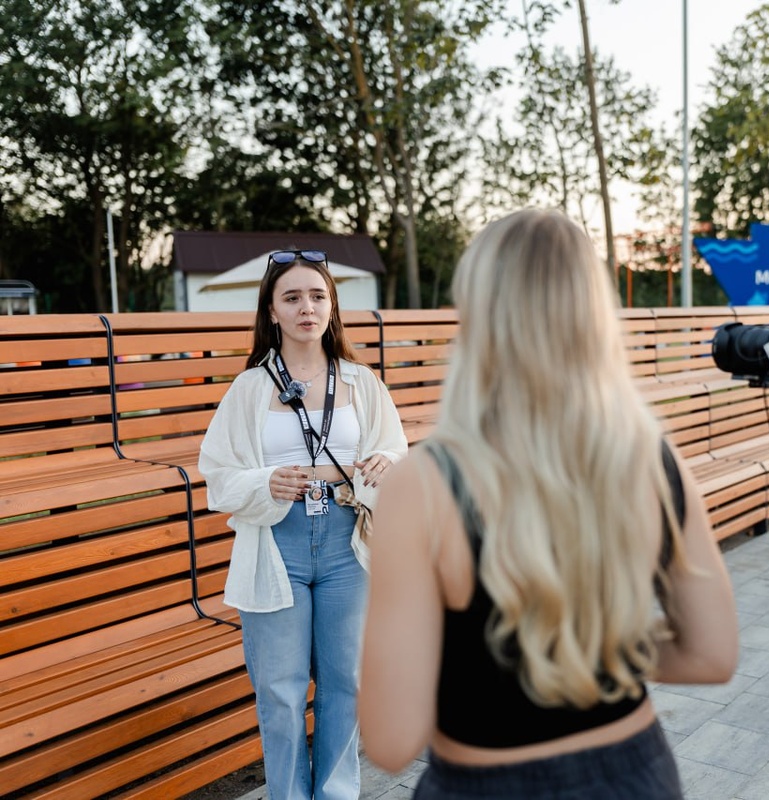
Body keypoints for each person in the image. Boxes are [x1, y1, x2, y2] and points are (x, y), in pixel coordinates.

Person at [358, 209, 739, 799]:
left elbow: (390, 741)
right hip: (636, 775)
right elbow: (711, 655)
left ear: (478, 316)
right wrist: (583, 647)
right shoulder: (649, 457)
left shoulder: (423, 483)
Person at [199, 249, 407, 800]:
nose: (306, 308)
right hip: (276, 543)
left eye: (317, 296)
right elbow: (217, 474)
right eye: (291, 298)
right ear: (272, 311)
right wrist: (264, 482)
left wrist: (384, 461)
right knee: (281, 690)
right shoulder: (249, 388)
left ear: (332, 306)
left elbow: (396, 450)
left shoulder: (360, 381)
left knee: (347, 681)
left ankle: (336, 793)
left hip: (347, 542)